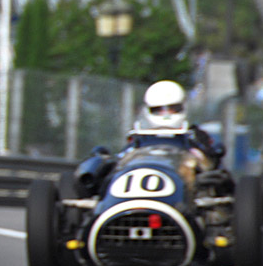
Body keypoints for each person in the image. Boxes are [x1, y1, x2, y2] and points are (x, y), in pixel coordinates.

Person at [73, 79, 224, 196]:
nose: (166, 114)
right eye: (159, 110)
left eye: (172, 109)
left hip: (183, 186)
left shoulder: (195, 136)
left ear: (181, 108)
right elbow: (119, 160)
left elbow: (211, 162)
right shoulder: (137, 140)